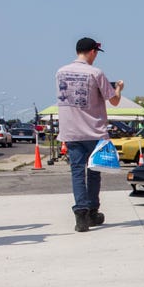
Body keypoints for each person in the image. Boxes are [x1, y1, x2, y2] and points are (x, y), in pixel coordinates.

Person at [55, 37, 124, 232]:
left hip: (71, 131)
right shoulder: (96, 73)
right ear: (93, 52)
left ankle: (81, 215)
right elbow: (115, 101)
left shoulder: (60, 72)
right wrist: (118, 88)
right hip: (94, 131)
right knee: (94, 172)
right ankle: (93, 211)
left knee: (77, 172)